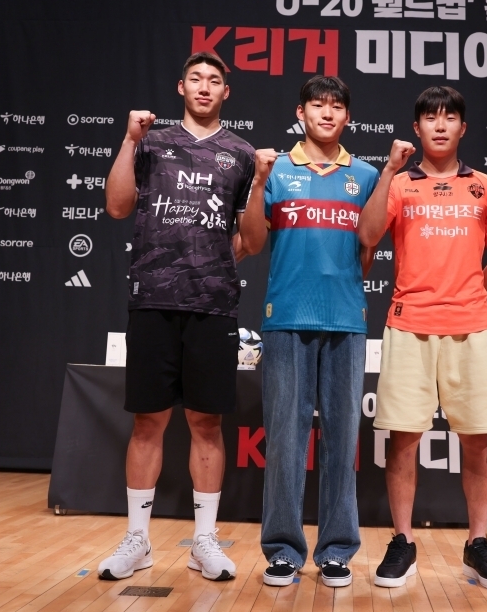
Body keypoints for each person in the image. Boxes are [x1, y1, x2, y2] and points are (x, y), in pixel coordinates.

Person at [99, 51, 268, 582]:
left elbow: (256, 240)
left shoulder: (240, 154)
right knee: (148, 421)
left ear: (225, 92)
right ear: (180, 86)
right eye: (195, 78)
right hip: (151, 298)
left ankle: (204, 541)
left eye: (214, 80)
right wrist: (128, 140)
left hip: (212, 304)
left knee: (206, 423)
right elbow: (118, 206)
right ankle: (137, 541)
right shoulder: (149, 141)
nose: (204, 86)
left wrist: (259, 187)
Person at [357, 86, 487, 591]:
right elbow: (368, 235)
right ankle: (403, 541)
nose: (440, 125)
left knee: (478, 441)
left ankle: (478, 543)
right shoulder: (401, 185)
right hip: (409, 325)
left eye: (449, 118)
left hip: (473, 329)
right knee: (404, 441)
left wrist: (471, 298)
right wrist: (387, 172)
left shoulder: (486, 187)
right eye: (430, 118)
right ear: (417, 128)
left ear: (463, 128)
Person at [238, 75, 379, 588]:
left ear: (347, 118)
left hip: (346, 319)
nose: (326, 113)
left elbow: (369, 244)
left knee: (343, 439)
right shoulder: (276, 171)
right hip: (286, 318)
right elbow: (251, 241)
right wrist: (257, 182)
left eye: (336, 106)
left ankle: (338, 548)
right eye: (317, 105)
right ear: (301, 113)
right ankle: (282, 549)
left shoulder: (364, 175)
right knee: (285, 440)